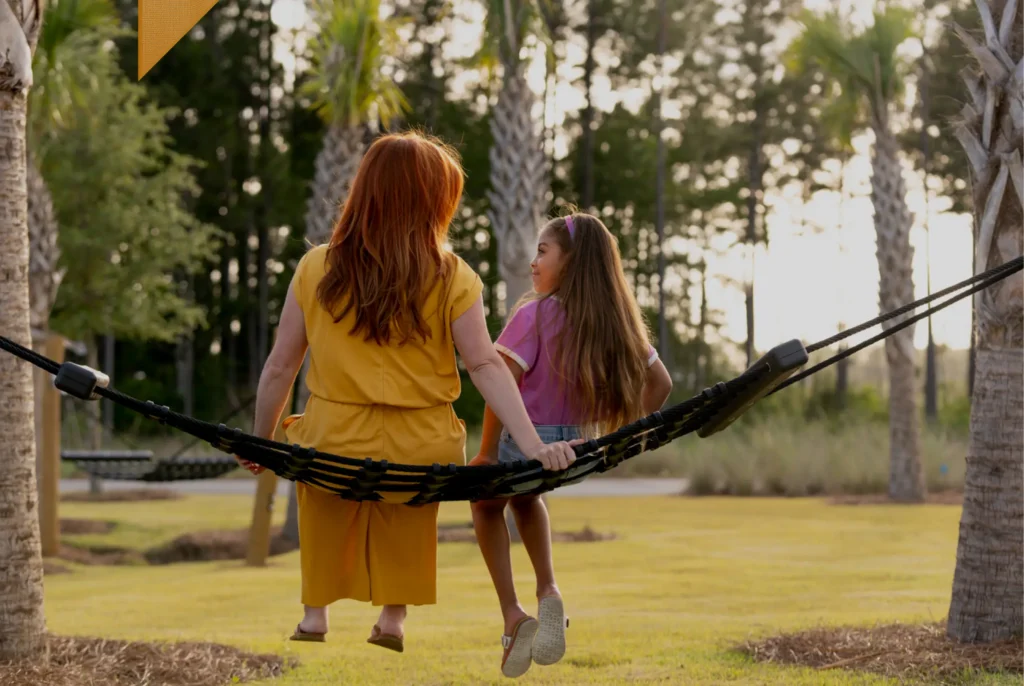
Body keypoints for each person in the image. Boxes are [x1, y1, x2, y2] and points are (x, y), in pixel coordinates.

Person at [235, 131, 577, 652]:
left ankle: (315, 613)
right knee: (411, 493)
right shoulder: (452, 275)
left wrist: (261, 440)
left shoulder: (316, 267)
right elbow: (485, 364)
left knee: (317, 464)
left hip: (336, 436)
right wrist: (531, 444)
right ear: (432, 203)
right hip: (423, 441)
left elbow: (282, 365)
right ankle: (393, 618)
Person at [469, 212, 673, 678]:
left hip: (527, 440)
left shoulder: (535, 315)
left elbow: (501, 386)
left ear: (571, 261)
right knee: (525, 495)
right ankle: (549, 590)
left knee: (484, 504)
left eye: (543, 251)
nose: (533, 263)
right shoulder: (615, 323)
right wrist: (619, 437)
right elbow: (660, 383)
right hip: (575, 447)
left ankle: (512, 613)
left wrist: (486, 452)